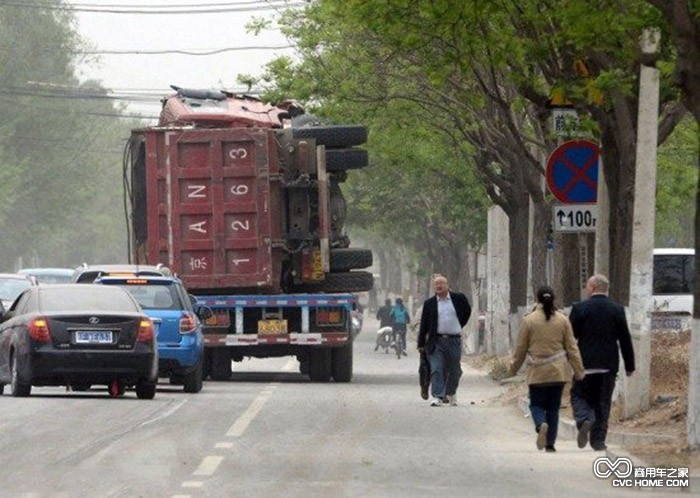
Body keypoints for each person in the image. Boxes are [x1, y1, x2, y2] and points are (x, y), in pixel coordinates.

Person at [510, 286, 585, 452]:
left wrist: (513, 369)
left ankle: (540, 424)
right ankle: (550, 444)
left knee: (536, 404)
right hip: (558, 372)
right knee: (553, 408)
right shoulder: (562, 319)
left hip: (537, 371)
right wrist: (579, 370)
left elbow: (521, 348)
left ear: (537, 299)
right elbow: (572, 347)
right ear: (553, 298)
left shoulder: (529, 320)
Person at [569, 274, 635, 451]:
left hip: (585, 364)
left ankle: (584, 419)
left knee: (578, 395)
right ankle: (598, 442)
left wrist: (567, 359)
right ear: (606, 289)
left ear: (591, 288)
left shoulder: (580, 309)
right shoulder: (617, 309)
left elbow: (570, 338)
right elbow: (625, 339)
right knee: (602, 402)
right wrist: (630, 365)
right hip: (608, 365)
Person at [417, 275, 471, 406]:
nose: (439, 286)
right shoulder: (429, 304)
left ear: (447, 285)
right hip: (436, 341)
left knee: (455, 370)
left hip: (454, 341)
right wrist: (420, 343)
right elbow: (424, 323)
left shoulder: (458, 299)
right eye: (436, 284)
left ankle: (451, 393)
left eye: (441, 283)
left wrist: (458, 325)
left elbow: (467, 312)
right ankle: (437, 396)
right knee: (436, 368)